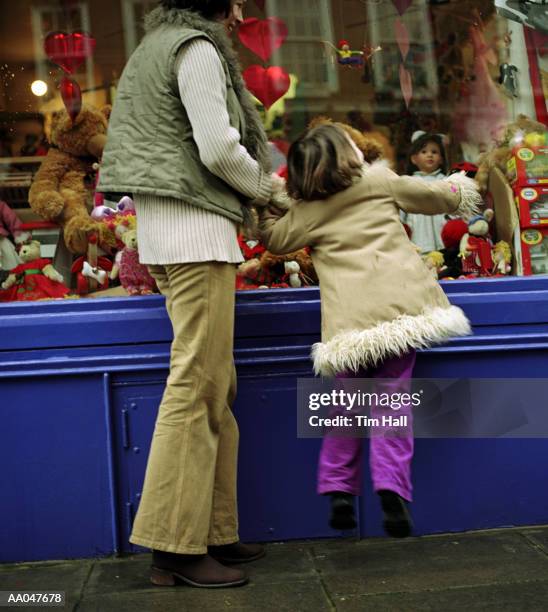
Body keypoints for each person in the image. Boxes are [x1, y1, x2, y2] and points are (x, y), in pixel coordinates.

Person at [99, 0, 283, 589]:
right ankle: (173, 548)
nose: (240, 13)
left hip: (170, 235)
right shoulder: (196, 49)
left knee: (212, 383)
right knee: (197, 389)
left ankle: (214, 531)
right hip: (195, 235)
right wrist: (269, 190)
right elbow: (219, 147)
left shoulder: (154, 47)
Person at [259, 123, 481, 538]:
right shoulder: (378, 181)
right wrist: (458, 186)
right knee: (392, 404)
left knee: (346, 404)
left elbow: (274, 236)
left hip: (352, 324)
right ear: (350, 154)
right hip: (400, 314)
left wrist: (270, 201)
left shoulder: (308, 212)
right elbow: (434, 197)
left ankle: (338, 488)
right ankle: (392, 488)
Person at [401, 131, 451, 253]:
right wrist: (400, 223)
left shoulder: (447, 181)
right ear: (414, 159)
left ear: (441, 159)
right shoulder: (407, 182)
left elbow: (454, 200)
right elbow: (401, 206)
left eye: (434, 152)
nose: (429, 155)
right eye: (424, 152)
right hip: (416, 227)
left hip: (441, 227)